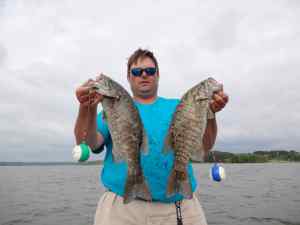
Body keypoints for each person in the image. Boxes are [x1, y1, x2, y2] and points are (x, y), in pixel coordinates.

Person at [74, 48, 229, 225]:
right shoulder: (112, 108)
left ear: (158, 75)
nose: (144, 75)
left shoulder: (180, 107)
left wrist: (210, 114)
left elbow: (206, 145)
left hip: (180, 207)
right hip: (122, 210)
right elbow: (86, 144)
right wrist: (86, 107)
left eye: (150, 70)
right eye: (137, 71)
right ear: (129, 77)